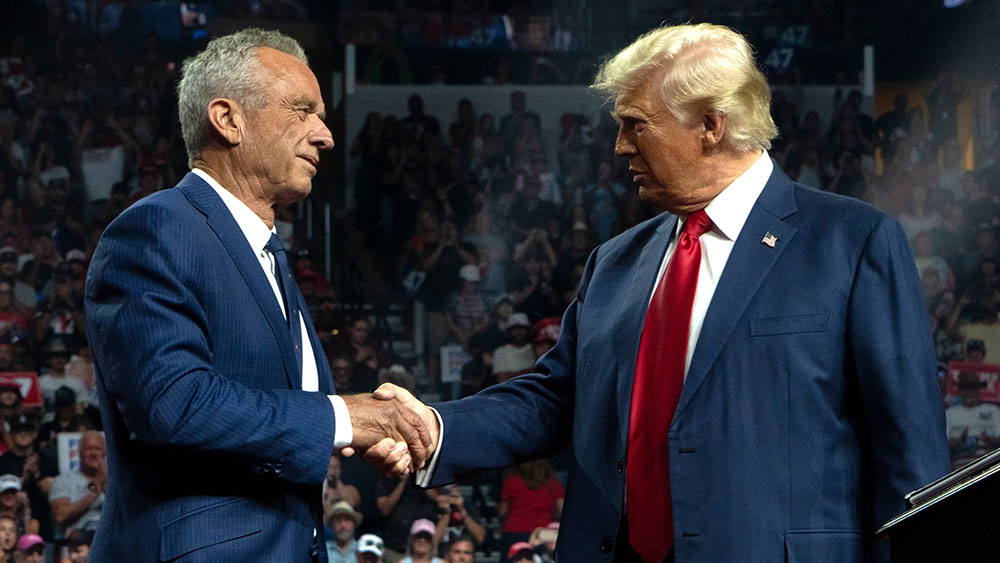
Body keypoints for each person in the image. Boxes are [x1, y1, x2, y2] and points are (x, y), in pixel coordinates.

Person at [372, 22, 950, 562]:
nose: (620, 146)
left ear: (711, 124)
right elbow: (556, 399)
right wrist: (433, 428)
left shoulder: (852, 243)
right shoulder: (616, 261)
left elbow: (911, 459)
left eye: (636, 124)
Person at [82, 29, 431, 562]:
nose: (326, 135)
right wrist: (343, 418)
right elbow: (175, 406)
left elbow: (278, 428)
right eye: (302, 110)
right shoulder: (157, 229)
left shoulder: (269, 257)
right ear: (228, 120)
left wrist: (358, 433)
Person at [48, 431, 105, 539]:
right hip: (76, 549)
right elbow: (60, 516)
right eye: (89, 448)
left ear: (105, 453)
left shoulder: (117, 483)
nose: (93, 453)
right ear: (79, 453)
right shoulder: (63, 481)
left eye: (97, 449)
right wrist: (93, 495)